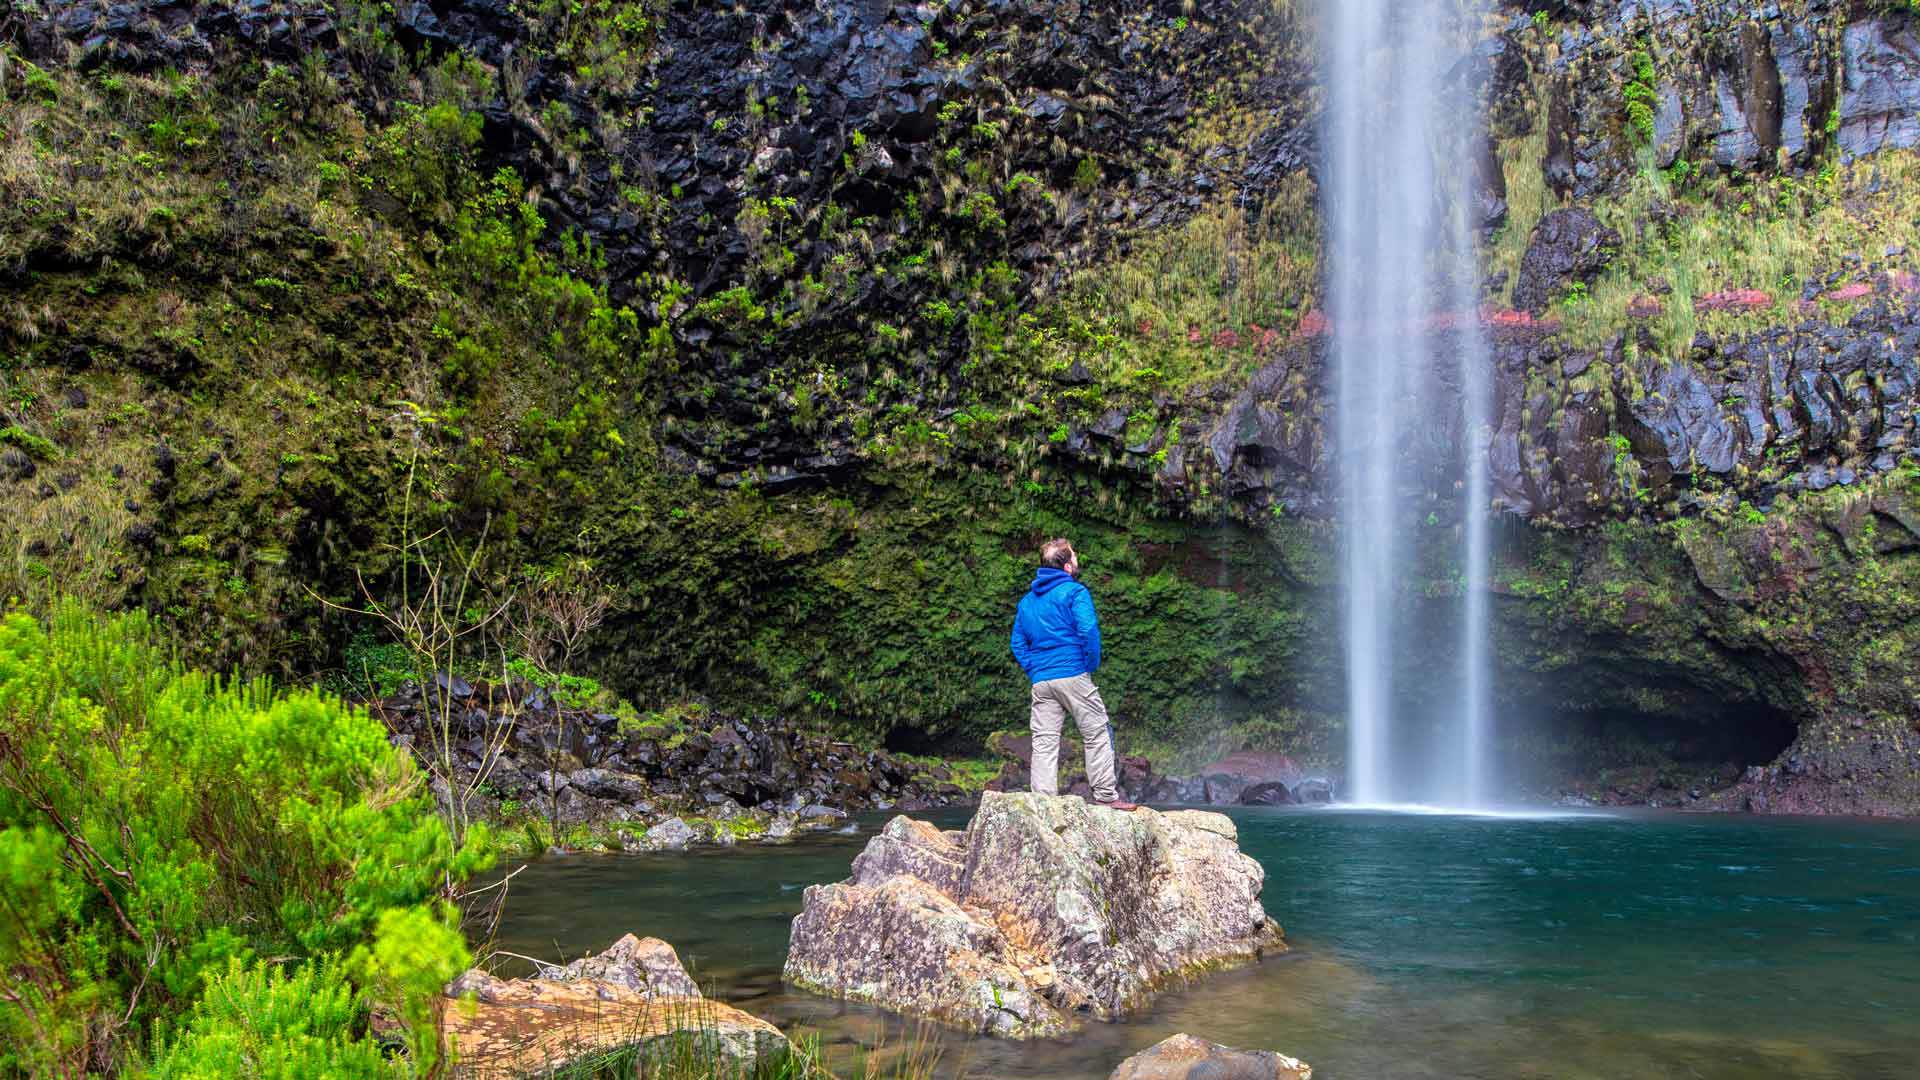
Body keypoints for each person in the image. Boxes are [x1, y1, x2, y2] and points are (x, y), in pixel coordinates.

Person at [1008, 538, 1139, 810]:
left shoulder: (1026, 602)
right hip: (1072, 672)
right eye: (1075, 558)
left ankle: (1043, 804)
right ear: (1067, 566)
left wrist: (1035, 669)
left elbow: (1017, 643)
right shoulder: (1074, 592)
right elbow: (1088, 630)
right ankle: (1105, 797)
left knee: (1044, 742)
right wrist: (1088, 664)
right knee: (1096, 732)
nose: (1078, 561)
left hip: (1042, 681)